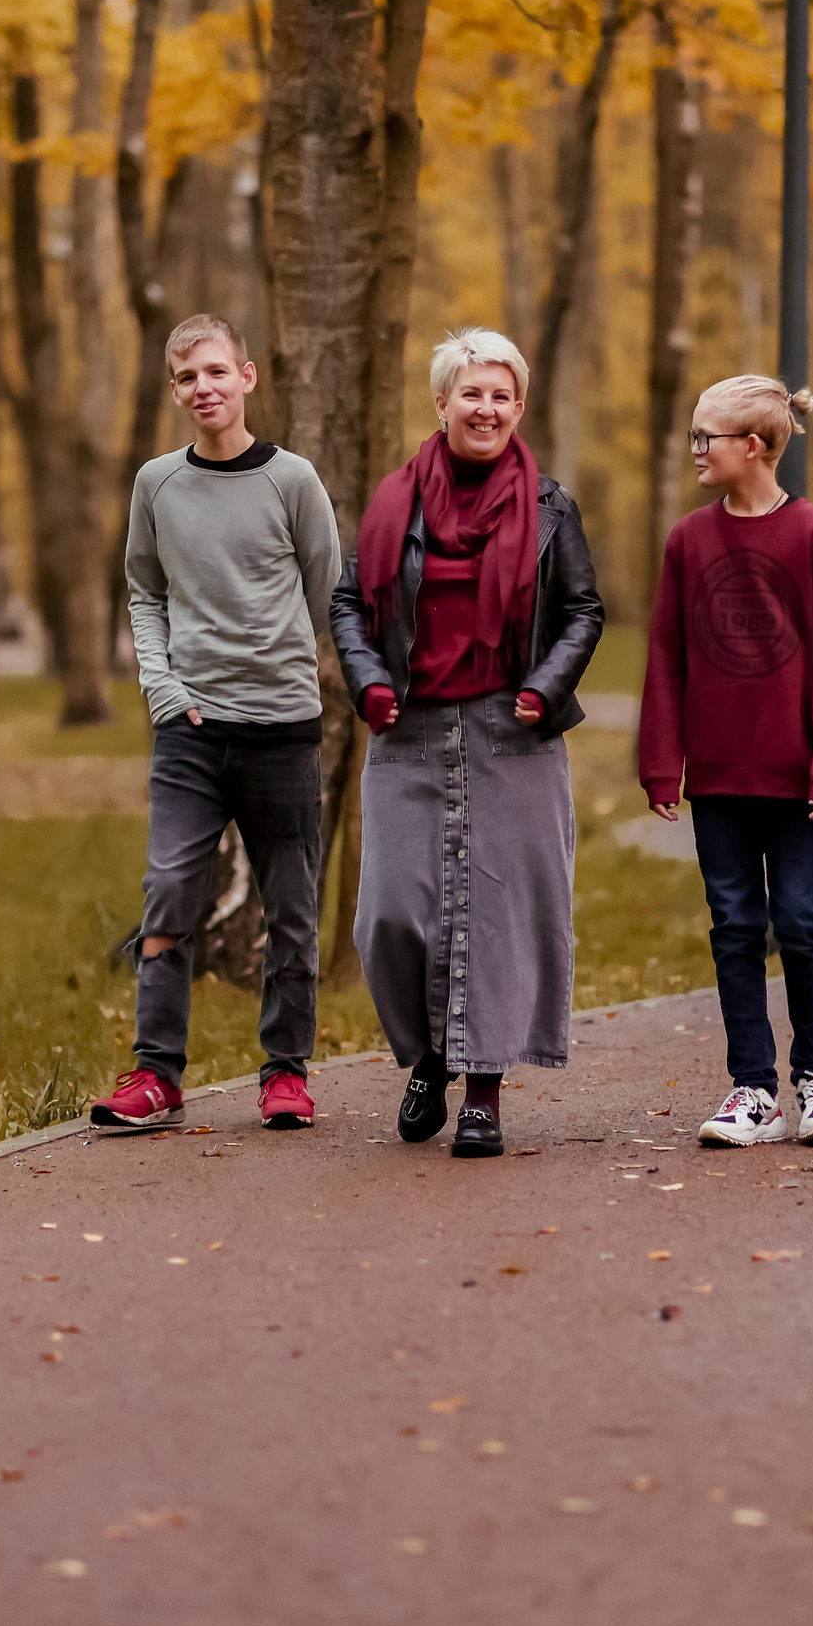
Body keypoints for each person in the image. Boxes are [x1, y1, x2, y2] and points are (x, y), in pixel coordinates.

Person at [331, 326, 603, 1158]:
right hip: (406, 727)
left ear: (518, 407)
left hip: (510, 730)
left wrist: (543, 685)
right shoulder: (393, 503)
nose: (485, 408)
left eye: (500, 395)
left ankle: (481, 1090)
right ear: (441, 402)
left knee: (499, 914)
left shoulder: (552, 506)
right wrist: (370, 681)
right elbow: (348, 603)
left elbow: (583, 611)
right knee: (389, 913)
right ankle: (429, 1058)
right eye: (470, 393)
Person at [89, 315, 342, 1133]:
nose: (203, 387)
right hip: (191, 731)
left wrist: (273, 662)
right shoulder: (157, 483)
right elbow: (144, 592)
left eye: (214, 371)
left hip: (282, 728)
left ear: (247, 376)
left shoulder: (294, 480)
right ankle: (157, 1074)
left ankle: (286, 1071)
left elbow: (323, 587)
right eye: (186, 377)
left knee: (292, 908)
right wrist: (163, 687)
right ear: (175, 391)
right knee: (169, 891)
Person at [637, 375, 813, 1148]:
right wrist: (662, 761)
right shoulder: (688, 541)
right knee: (734, 926)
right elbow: (665, 656)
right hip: (720, 781)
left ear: (753, 447)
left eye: (708, 437)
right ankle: (753, 1089)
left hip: (798, 781)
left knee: (801, 923)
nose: (695, 449)